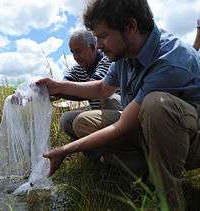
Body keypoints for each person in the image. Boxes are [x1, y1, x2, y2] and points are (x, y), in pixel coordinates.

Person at [36, 0, 200, 210]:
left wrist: (66, 150)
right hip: (148, 128)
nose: (99, 45)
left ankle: (169, 200)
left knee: (156, 105)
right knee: (81, 122)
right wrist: (57, 85)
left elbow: (122, 126)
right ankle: (145, 171)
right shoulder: (125, 52)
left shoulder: (171, 59)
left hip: (190, 141)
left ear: (130, 27)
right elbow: (101, 89)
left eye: (103, 36)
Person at [58, 29, 121, 140]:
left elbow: (98, 89)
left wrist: (58, 88)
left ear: (93, 47)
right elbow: (63, 84)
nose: (75, 56)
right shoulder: (78, 68)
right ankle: (97, 154)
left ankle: (119, 148)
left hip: (121, 112)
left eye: (78, 51)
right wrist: (41, 91)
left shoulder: (107, 60)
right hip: (97, 113)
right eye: (72, 52)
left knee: (108, 99)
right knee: (66, 119)